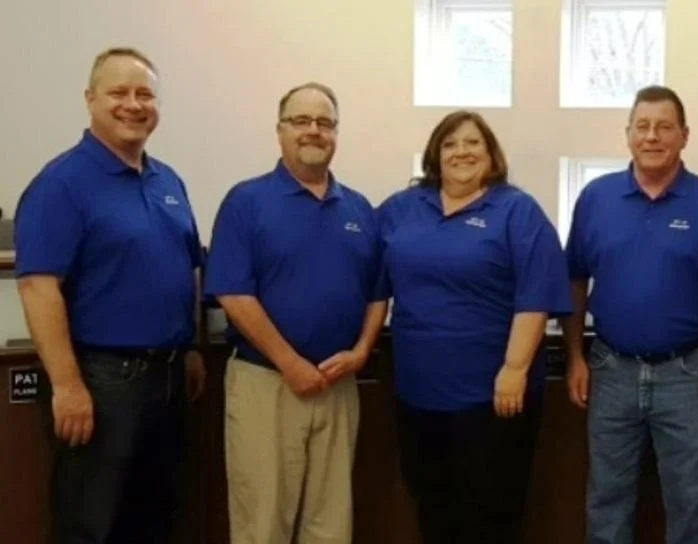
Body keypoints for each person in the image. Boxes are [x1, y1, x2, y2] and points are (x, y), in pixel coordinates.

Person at [13, 47, 206, 543]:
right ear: (90, 99)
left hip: (166, 381)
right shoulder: (62, 183)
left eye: (145, 94)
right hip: (100, 383)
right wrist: (67, 385)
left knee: (154, 520)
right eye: (119, 92)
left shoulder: (169, 181)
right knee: (91, 525)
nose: (133, 104)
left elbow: (186, 268)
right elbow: (38, 286)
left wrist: (188, 350)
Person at [562, 85, 698, 544]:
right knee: (606, 500)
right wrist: (574, 356)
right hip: (610, 368)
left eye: (664, 127)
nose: (652, 137)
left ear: (684, 136)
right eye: (642, 127)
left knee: (691, 500)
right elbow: (574, 281)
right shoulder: (596, 198)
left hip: (688, 373)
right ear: (627, 134)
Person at [376, 110, 572, 544]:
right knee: (433, 509)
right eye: (450, 144)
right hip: (418, 395)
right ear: (434, 154)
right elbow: (370, 281)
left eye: (472, 143)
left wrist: (515, 368)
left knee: (491, 515)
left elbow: (536, 295)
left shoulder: (516, 210)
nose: (461, 152)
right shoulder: (401, 209)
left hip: (493, 396)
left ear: (491, 154)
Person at [203, 82, 386, 544]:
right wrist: (290, 363)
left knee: (330, 525)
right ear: (280, 131)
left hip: (339, 386)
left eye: (324, 123)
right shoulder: (246, 201)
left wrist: (362, 352)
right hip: (268, 384)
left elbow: (377, 294)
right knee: (263, 524)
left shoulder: (360, 209)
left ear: (336, 134)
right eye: (301, 121)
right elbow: (233, 293)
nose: (313, 131)